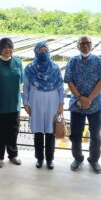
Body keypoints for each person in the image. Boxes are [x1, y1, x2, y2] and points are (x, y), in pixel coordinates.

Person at [64, 36, 101, 173]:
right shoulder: (72, 62)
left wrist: (89, 98)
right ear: (77, 46)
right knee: (76, 134)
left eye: (88, 43)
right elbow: (69, 81)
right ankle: (78, 158)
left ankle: (94, 160)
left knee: (95, 134)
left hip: (95, 105)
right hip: (76, 105)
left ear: (92, 45)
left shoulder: (99, 62)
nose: (85, 45)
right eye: (82, 43)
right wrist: (80, 98)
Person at [22, 42, 64, 170]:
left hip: (53, 101)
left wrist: (61, 103)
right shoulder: (29, 68)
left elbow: (61, 87)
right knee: (39, 131)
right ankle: (39, 158)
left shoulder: (55, 68)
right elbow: (26, 87)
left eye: (46, 50)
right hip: (35, 101)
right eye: (41, 51)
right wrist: (26, 103)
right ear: (35, 52)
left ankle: (50, 159)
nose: (44, 53)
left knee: (50, 131)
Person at [0, 38, 24, 168]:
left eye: (10, 47)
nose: (8, 50)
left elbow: (22, 81)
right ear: (0, 49)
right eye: (5, 47)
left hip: (14, 105)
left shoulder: (18, 62)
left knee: (13, 132)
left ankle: (13, 155)